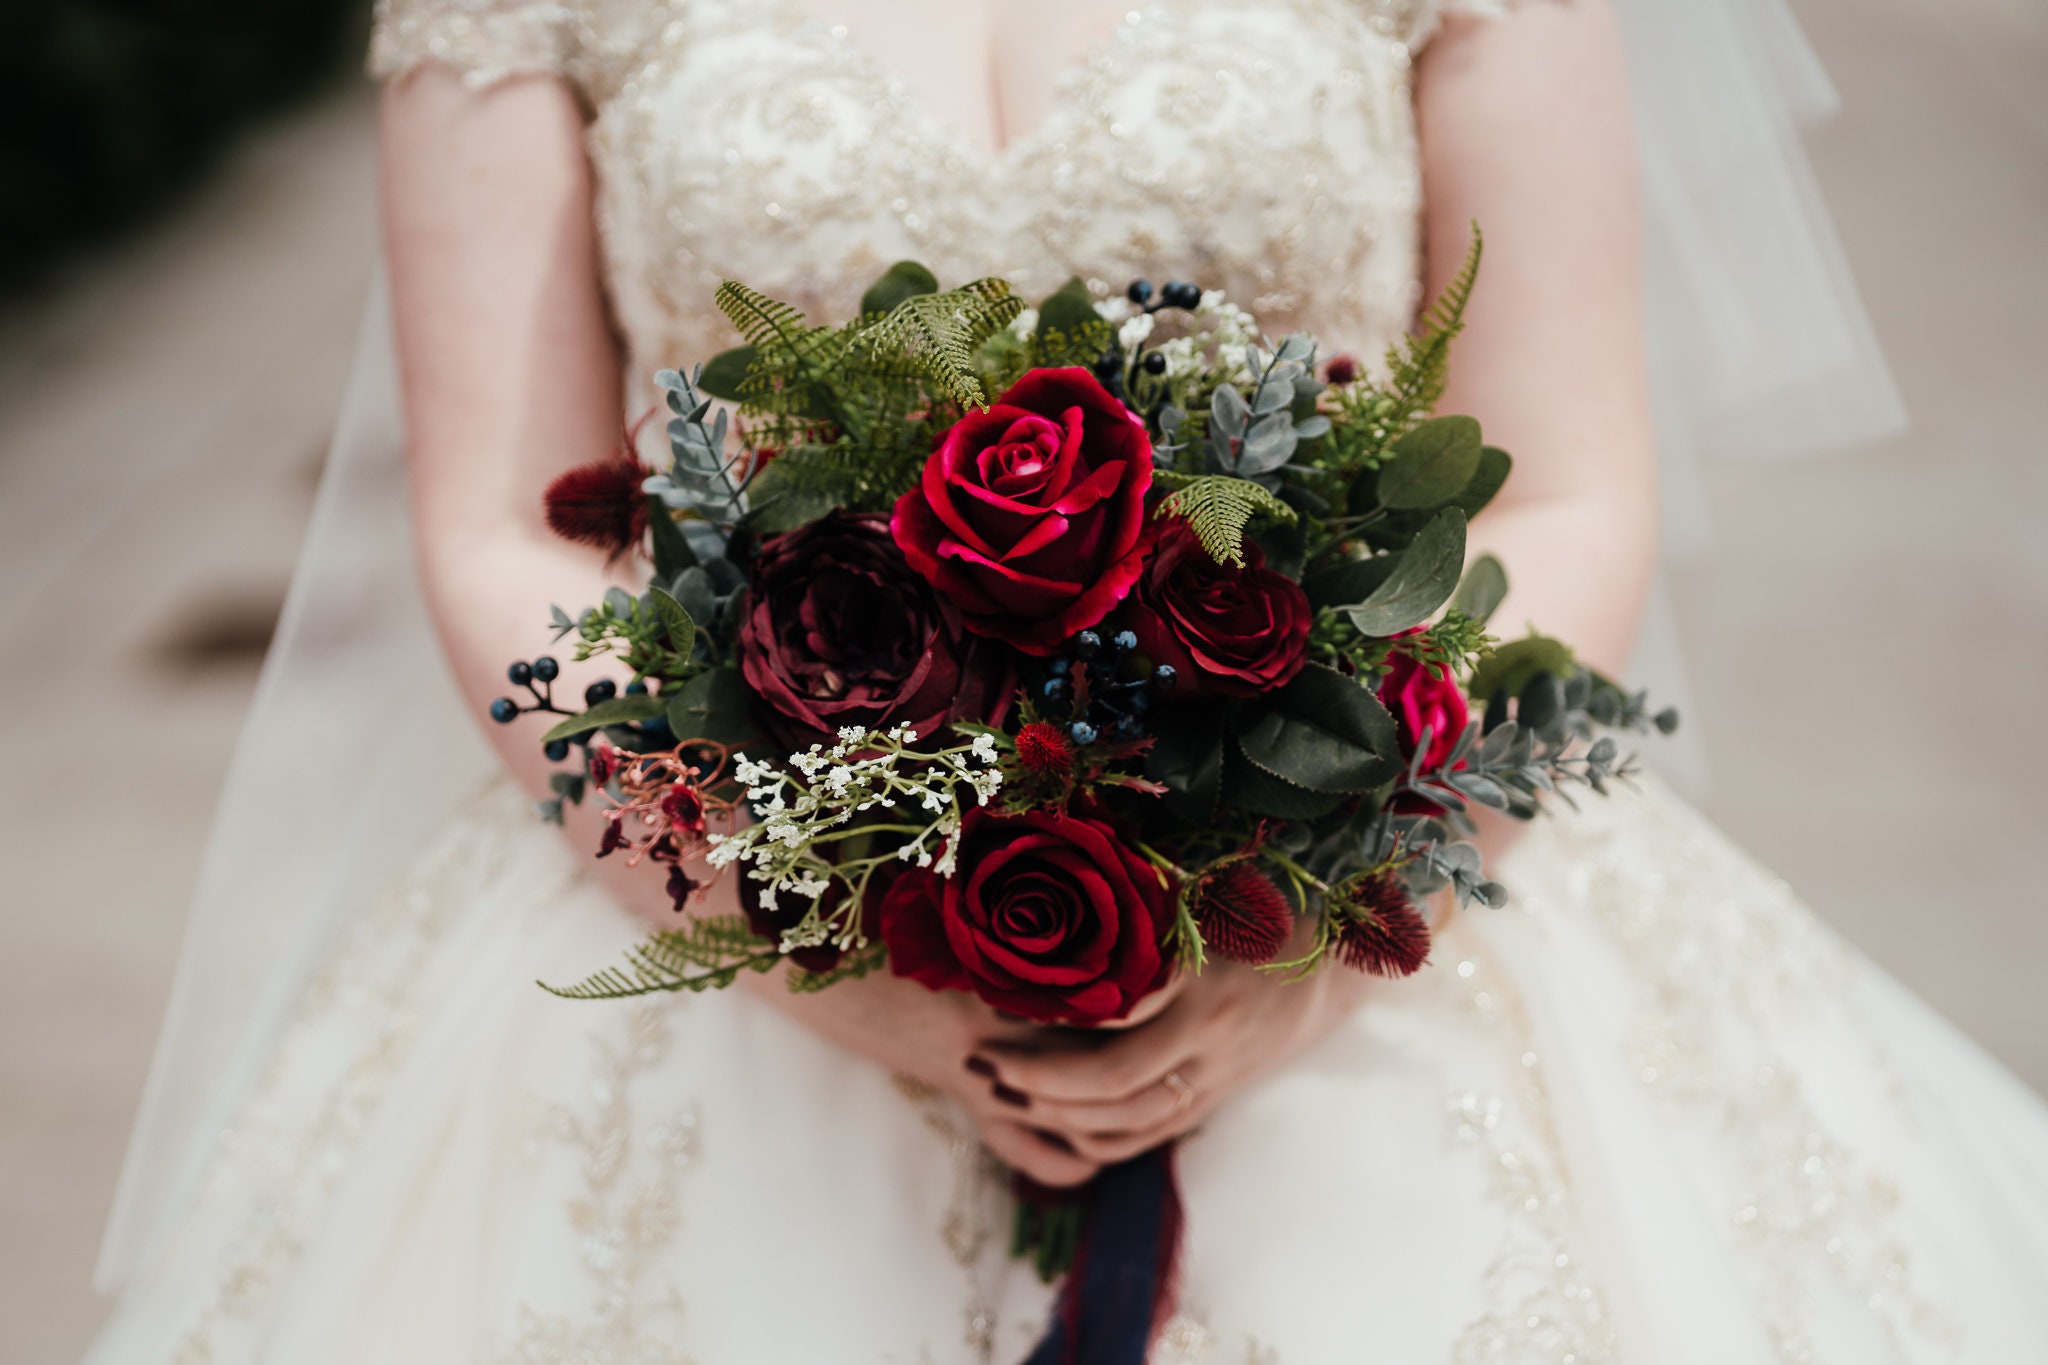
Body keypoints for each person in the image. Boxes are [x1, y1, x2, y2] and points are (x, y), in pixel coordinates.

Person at [84, 1, 2048, 1361]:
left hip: (1350, 889)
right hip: (719, 897)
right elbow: (507, 524)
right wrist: (806, 952)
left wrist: (1311, 933)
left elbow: (1563, 474)